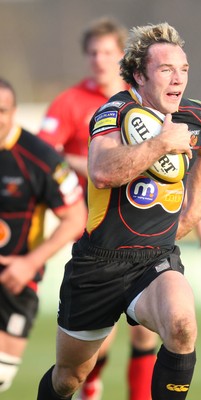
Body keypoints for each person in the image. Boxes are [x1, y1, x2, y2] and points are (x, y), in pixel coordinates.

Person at [38, 17, 201, 400]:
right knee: (69, 378)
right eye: (166, 69)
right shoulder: (114, 112)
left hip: (155, 259)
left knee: (183, 325)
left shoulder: (195, 115)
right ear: (139, 74)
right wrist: (160, 145)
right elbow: (102, 172)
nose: (178, 79)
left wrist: (196, 211)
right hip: (98, 263)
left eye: (183, 69)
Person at [0, 77, 87, 393]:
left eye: (2, 110)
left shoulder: (41, 158)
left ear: (14, 113)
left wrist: (29, 263)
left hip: (14, 281)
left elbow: (76, 217)